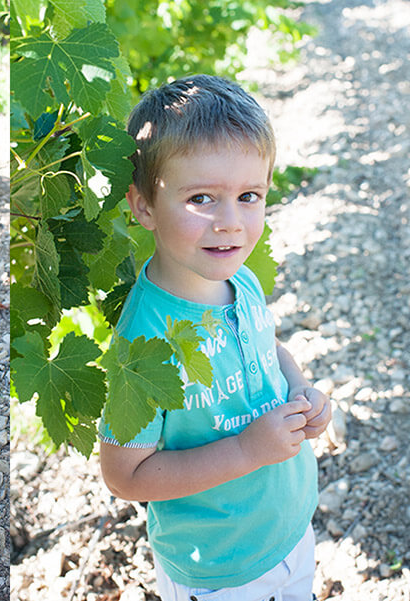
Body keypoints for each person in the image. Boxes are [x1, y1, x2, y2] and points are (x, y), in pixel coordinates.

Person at [99, 75, 332, 600]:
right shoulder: (142, 342)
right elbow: (125, 476)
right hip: (221, 568)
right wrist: (248, 451)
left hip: (289, 528)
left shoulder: (238, 279)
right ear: (143, 208)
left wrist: (301, 392)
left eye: (249, 195)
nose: (230, 223)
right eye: (202, 197)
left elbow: (269, 347)